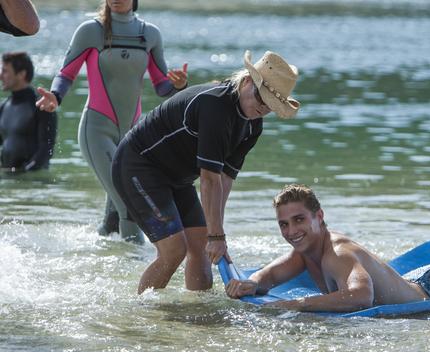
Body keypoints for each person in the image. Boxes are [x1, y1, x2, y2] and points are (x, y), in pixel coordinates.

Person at [111, 50, 300, 294]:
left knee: (201, 247)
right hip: (138, 165)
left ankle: (198, 315)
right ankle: (141, 313)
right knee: (174, 250)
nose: (263, 108)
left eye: (271, 106)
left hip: (178, 178)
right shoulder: (216, 106)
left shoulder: (253, 126)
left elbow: (225, 180)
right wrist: (217, 236)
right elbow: (209, 179)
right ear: (246, 82)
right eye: (260, 98)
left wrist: (216, 235)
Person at [36, 0, 188, 241]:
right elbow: (66, 73)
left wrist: (179, 86)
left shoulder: (149, 34)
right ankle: (136, 268)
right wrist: (55, 96)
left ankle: (102, 259)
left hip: (133, 137)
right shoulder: (91, 31)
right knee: (130, 202)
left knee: (115, 217)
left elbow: (162, 86)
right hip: (96, 131)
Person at [225, 184, 430, 312]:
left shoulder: (338, 253)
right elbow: (268, 275)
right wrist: (250, 284)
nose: (292, 231)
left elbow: (361, 296)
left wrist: (299, 304)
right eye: (284, 224)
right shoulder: (304, 253)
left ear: (319, 216)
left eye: (299, 219)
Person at [0, 52, 56, 172]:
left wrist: (25, 175)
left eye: (5, 71)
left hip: (32, 185)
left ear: (21, 74)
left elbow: (45, 150)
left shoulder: (41, 106)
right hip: (9, 180)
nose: (1, 76)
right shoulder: (4, 107)